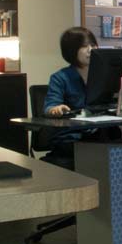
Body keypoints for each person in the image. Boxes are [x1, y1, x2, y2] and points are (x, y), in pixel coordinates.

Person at [42, 26, 98, 167]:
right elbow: (50, 106)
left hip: (97, 132)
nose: (90, 50)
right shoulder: (60, 78)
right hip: (71, 137)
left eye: (93, 45)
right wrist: (56, 109)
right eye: (85, 46)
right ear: (72, 50)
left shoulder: (102, 76)